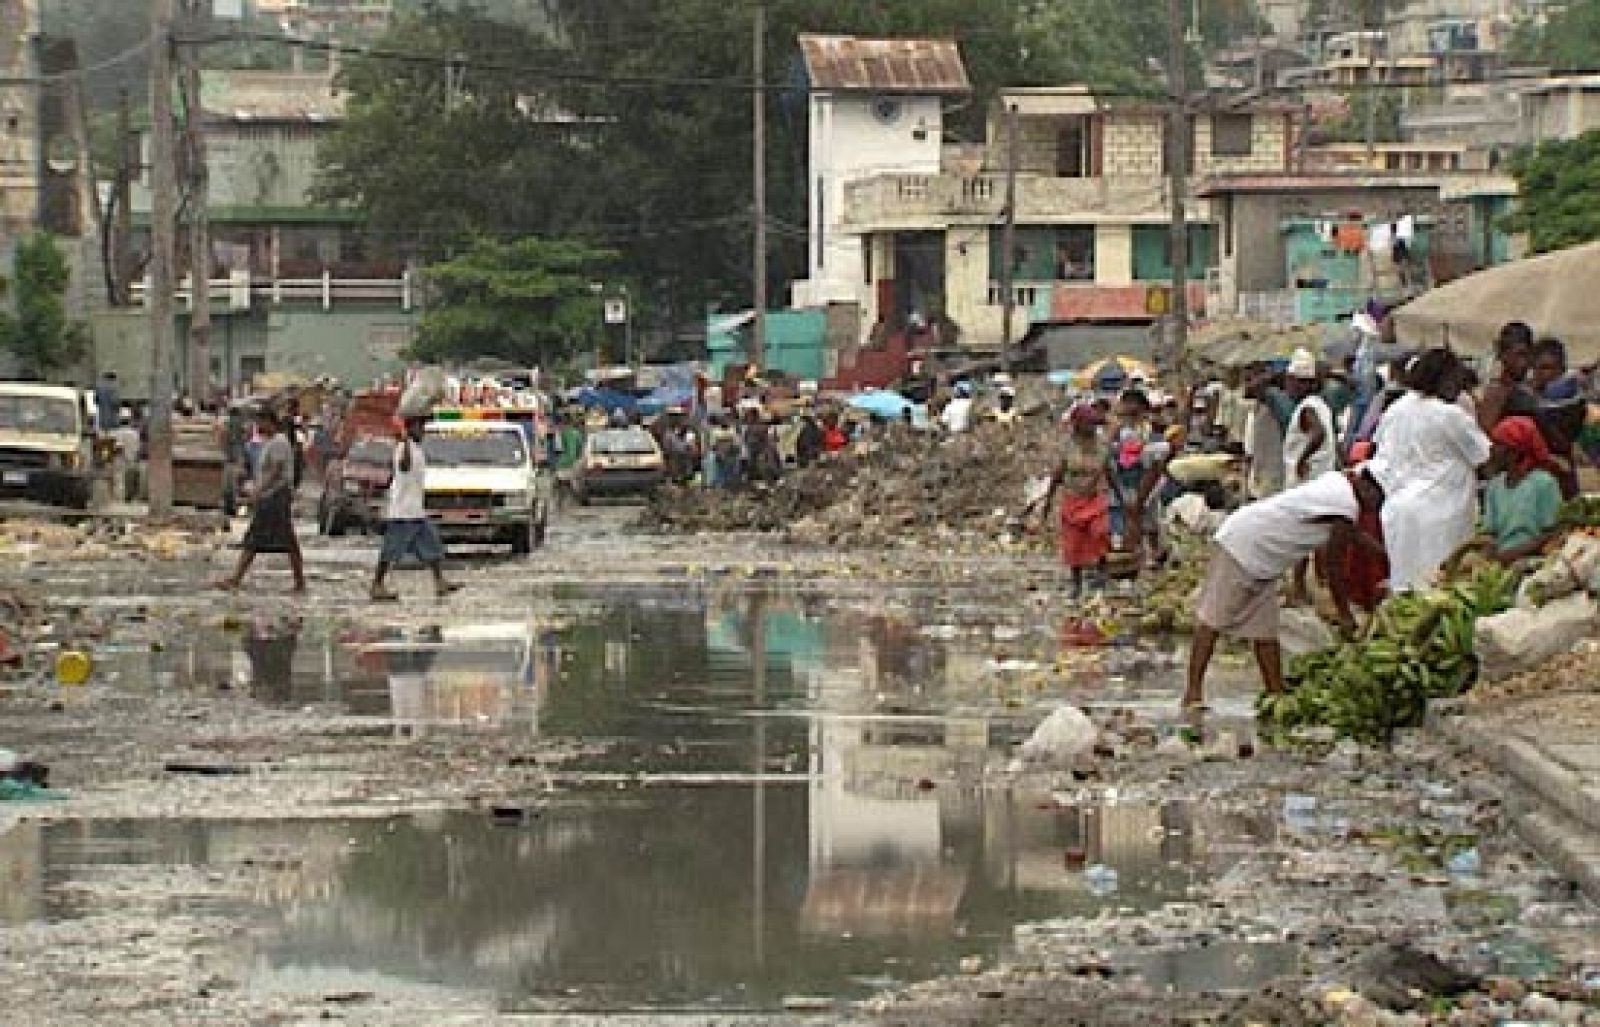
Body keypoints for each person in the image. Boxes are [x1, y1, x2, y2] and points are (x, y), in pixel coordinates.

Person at [1184, 467, 1386, 709]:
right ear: (1366, 487)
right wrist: (1344, 615)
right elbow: (1335, 566)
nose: (1377, 505)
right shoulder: (1346, 505)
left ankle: (1275, 693)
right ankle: (1192, 694)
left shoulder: (1338, 484)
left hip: (1264, 557)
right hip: (1245, 546)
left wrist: (1385, 555)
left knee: (1264, 631)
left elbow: (1351, 535)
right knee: (1213, 620)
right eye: (1378, 498)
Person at [1368, 349, 1492, 593]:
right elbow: (1485, 457)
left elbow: (1378, 449)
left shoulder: (1396, 409)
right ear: (1443, 379)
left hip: (1398, 510)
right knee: (1439, 589)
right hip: (1441, 515)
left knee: (1406, 588)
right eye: (1456, 381)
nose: (1459, 389)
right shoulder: (1450, 415)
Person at [216, 407, 306, 594]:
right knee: (282, 540)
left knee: (258, 538)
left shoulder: (279, 442)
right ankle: (299, 582)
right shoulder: (271, 442)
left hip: (275, 496)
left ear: (269, 422)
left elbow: (274, 470)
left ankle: (237, 578)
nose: (257, 426)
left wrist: (258, 491)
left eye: (260, 422)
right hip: (273, 495)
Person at [370, 414, 459, 602]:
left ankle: (439, 582)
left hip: (416, 510)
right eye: (419, 427)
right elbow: (403, 466)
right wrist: (405, 441)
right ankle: (377, 584)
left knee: (432, 545)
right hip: (402, 513)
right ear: (410, 429)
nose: (423, 431)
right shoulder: (403, 448)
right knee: (391, 550)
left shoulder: (417, 449)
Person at [1040, 403, 1111, 597]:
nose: (1092, 427)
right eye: (1088, 424)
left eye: (1093, 424)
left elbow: (1108, 471)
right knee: (1074, 543)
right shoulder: (1068, 447)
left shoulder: (1102, 445)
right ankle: (1076, 583)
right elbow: (1057, 476)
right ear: (1078, 425)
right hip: (1073, 498)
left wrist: (1122, 500)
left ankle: (1102, 571)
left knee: (1101, 531)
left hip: (1095, 497)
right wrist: (1047, 503)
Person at [1477, 416, 1563, 564]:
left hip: (1534, 561)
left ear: (1514, 452)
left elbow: (1553, 532)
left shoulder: (1543, 483)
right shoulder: (1495, 486)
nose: (1492, 449)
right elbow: (1490, 531)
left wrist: (1513, 554)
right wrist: (1487, 555)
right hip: (1501, 559)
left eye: (1498, 444)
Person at [1477, 321, 1540, 433]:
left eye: (1528, 355)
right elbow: (1485, 435)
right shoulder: (1497, 392)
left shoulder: (1527, 389)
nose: (1525, 362)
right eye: (1520, 355)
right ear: (1503, 355)